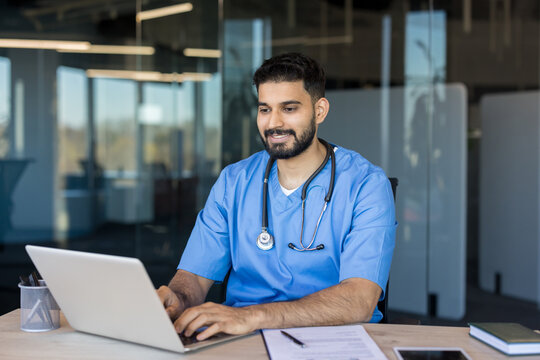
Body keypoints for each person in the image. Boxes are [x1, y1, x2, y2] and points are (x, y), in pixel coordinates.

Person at [157, 52, 396, 341]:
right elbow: (194, 277)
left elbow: (359, 300)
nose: (274, 123)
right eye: (265, 109)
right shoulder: (235, 181)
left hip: (334, 339)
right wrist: (177, 299)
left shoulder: (366, 185)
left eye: (289, 108)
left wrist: (254, 316)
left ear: (319, 111)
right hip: (239, 338)